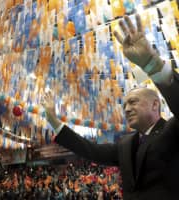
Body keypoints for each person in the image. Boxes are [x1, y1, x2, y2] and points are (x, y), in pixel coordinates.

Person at [41, 15, 179, 200]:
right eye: (124, 104)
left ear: (155, 104)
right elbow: (90, 150)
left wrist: (152, 65)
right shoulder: (126, 144)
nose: (127, 109)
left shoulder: (173, 129)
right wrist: (55, 122)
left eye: (133, 102)